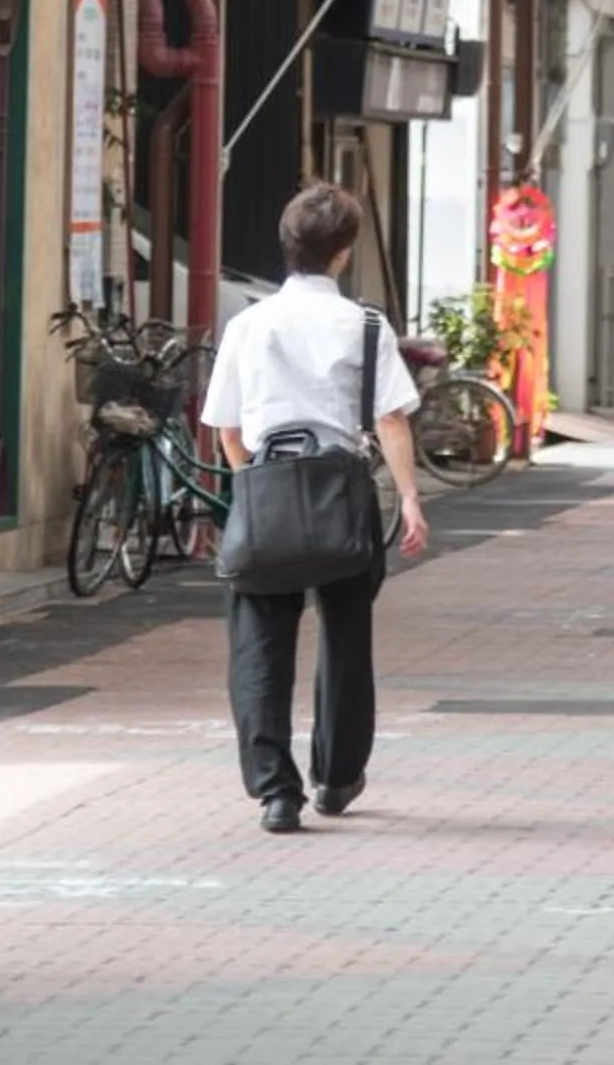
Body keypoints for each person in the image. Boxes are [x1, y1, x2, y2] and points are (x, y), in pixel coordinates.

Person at [203, 182, 430, 834]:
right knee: (346, 638)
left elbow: (225, 428)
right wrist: (410, 499)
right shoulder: (365, 325)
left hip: (267, 482)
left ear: (287, 246)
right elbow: (389, 418)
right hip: (345, 491)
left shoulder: (248, 325)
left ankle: (277, 791)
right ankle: (336, 777)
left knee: (258, 643)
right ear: (343, 253)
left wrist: (256, 487)